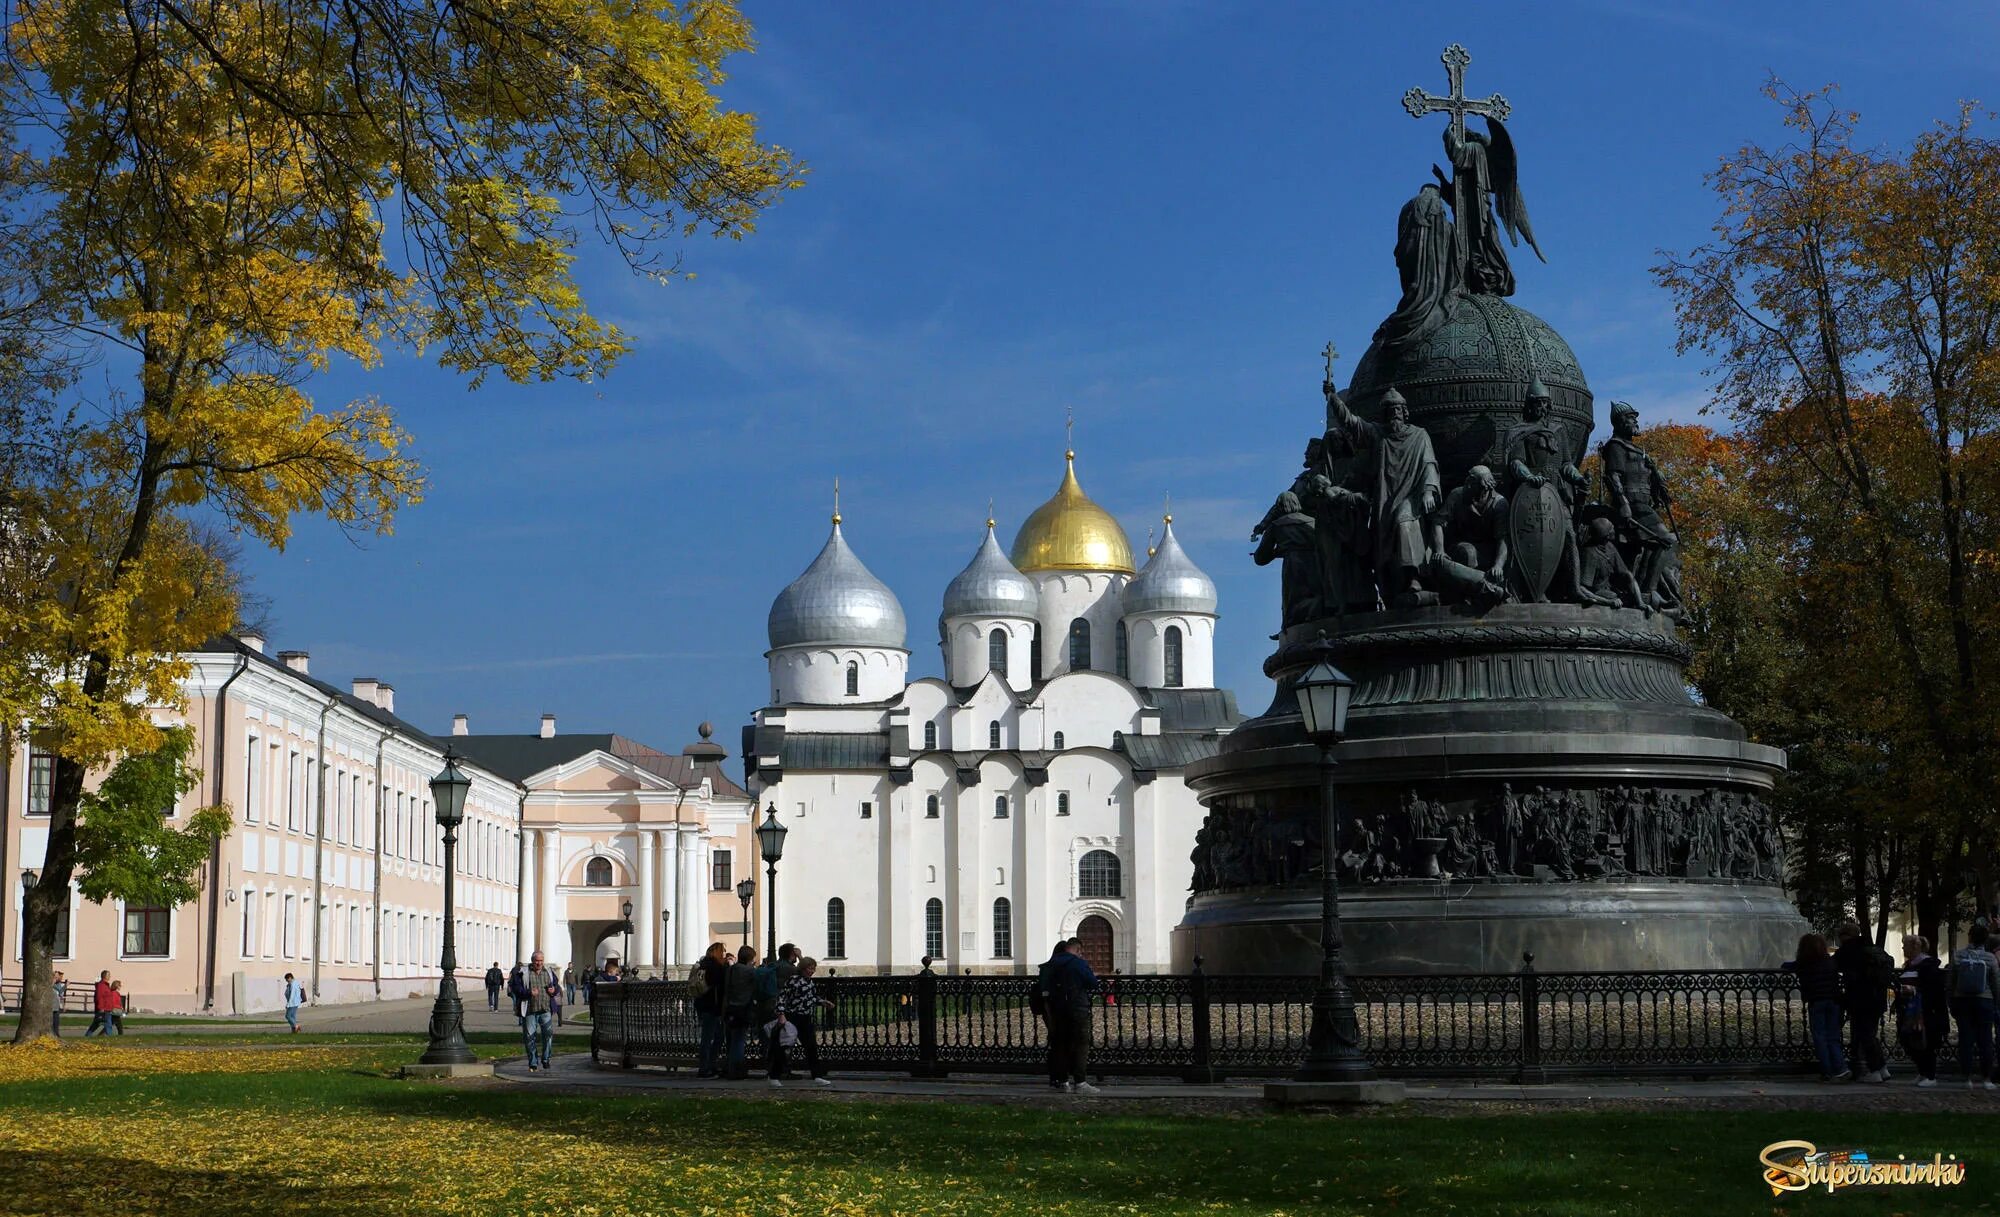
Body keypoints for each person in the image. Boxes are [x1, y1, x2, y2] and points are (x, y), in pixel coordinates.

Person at [1832, 920, 1893, 1082]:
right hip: (1877, 997)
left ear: (1845, 936)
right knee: (1871, 1034)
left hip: (1860, 998)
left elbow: (1832, 966)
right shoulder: (1871, 948)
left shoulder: (1848, 951)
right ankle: (1882, 1068)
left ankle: (1874, 1071)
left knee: (1865, 1035)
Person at [1782, 933, 1847, 1081]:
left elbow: (1787, 966)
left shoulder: (1805, 962)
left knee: (1820, 1036)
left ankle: (1827, 1070)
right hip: (1833, 1000)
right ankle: (1840, 1068)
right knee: (1833, 1036)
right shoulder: (1829, 961)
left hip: (1816, 1000)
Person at [1948, 923, 1999, 1090]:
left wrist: (1951, 1001)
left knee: (1965, 1040)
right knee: (1985, 1040)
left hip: (1962, 1000)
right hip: (1985, 1001)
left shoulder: (1958, 956)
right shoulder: (1990, 958)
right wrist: (1996, 1002)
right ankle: (1986, 1079)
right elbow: (1995, 983)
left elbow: (1951, 982)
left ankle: (1967, 1078)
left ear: (1969, 937)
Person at [1897, 933, 1949, 1088]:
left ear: (1915, 947)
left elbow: (1933, 990)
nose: (1903, 948)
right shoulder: (1909, 965)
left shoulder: (1927, 965)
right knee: (1909, 1040)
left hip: (1924, 1011)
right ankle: (1922, 1072)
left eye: (1905, 945)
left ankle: (1930, 1075)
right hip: (1909, 1010)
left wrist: (1913, 990)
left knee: (1925, 1042)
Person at [1048, 937, 1099, 1093]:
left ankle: (1063, 1082)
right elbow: (1093, 983)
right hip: (1077, 1008)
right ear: (1077, 949)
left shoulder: (1052, 963)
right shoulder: (1077, 963)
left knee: (1061, 1045)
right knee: (1081, 1044)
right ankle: (1080, 1082)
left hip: (1057, 1009)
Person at [782, 956, 835, 1086]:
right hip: (793, 1016)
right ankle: (774, 1074)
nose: (812, 971)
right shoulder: (793, 981)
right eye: (809, 968)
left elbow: (810, 998)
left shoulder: (809, 982)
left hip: (805, 1017)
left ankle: (817, 1075)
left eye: (813, 969)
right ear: (802, 969)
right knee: (785, 1046)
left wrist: (822, 1002)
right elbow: (783, 997)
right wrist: (781, 1014)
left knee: (811, 1046)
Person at [1033, 941, 1070, 1090]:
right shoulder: (1056, 968)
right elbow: (1045, 992)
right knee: (1060, 1043)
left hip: (1051, 1009)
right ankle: (1060, 1076)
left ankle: (1057, 1076)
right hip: (1057, 1008)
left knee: (1056, 1043)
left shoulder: (1047, 968)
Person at [722, 946, 759, 1080]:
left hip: (729, 1008)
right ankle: (736, 1071)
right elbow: (757, 985)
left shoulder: (731, 969)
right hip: (743, 1008)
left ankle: (729, 1068)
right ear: (750, 958)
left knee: (731, 1041)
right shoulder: (750, 971)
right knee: (738, 1041)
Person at [693, 942, 729, 1079]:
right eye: (723, 951)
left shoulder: (703, 964)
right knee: (711, 1038)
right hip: (712, 1006)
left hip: (702, 1005)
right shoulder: (715, 967)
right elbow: (720, 985)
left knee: (713, 1037)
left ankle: (709, 1066)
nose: (724, 953)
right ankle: (706, 1068)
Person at [520, 949, 560, 1073]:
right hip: (530, 1009)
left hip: (545, 1009)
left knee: (548, 1034)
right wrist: (528, 993)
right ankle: (533, 1062)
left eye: (541, 961)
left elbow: (556, 986)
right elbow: (516, 988)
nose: (539, 963)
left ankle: (546, 1059)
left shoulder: (548, 972)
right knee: (529, 1036)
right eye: (537, 961)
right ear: (532, 961)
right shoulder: (524, 973)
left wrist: (554, 990)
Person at [755, 948, 787, 1084]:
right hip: (773, 1006)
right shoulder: (782, 969)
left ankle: (768, 1065)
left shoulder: (762, 971)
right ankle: (779, 1069)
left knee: (765, 1037)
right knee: (778, 1039)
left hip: (761, 1005)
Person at [84, 970, 114, 1037]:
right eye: (108, 975)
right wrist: (101, 1008)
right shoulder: (101, 985)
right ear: (104, 976)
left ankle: (87, 1035)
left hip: (107, 1008)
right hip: (104, 1009)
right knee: (108, 1024)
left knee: (96, 1024)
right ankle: (110, 1037)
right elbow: (99, 997)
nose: (110, 976)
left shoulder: (106, 985)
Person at [50, 971, 66, 1038]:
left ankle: (56, 1034)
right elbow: (60, 990)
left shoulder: (57, 984)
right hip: (51, 1006)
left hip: (56, 1006)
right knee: (52, 1021)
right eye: (55, 977)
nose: (57, 978)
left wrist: (63, 1005)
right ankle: (54, 1033)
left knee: (56, 1022)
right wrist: (66, 985)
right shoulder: (51, 984)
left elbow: (60, 994)